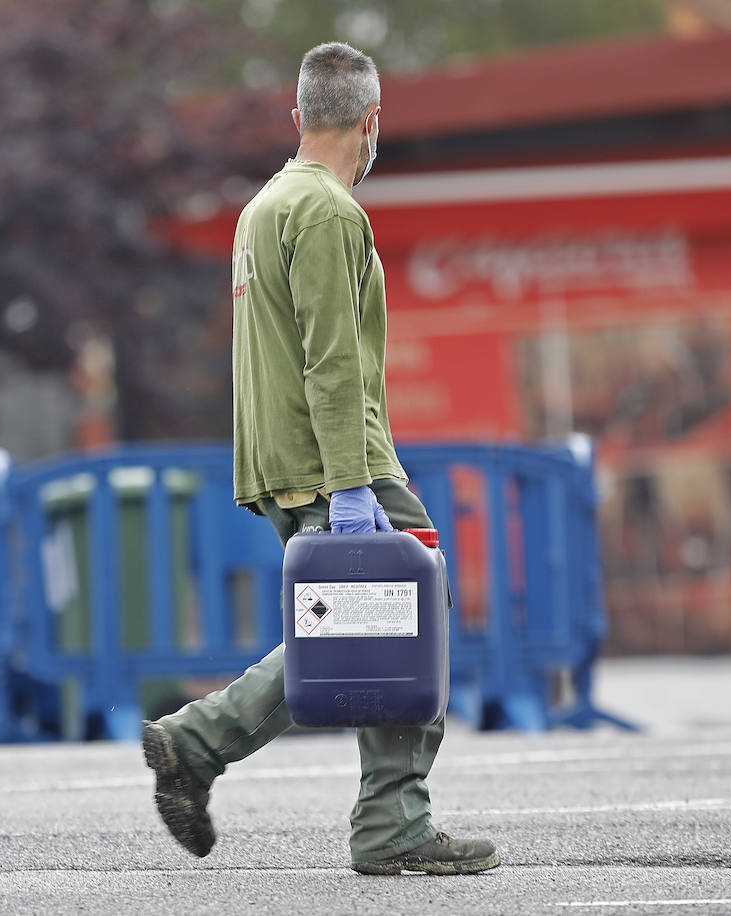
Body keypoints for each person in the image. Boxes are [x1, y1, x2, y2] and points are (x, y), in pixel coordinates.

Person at [141, 41, 500, 877]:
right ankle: (388, 825)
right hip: (340, 460)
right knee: (418, 612)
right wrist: (351, 486)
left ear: (298, 117)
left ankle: (198, 749)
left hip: (276, 462)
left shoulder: (263, 206)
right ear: (372, 124)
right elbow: (332, 363)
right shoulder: (332, 212)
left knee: (350, 629)